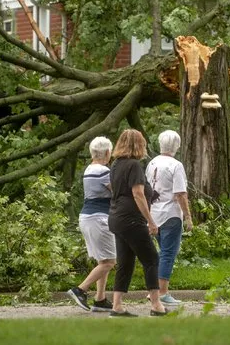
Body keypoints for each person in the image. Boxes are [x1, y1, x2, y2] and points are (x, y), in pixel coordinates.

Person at [108, 129, 168, 317]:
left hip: (117, 217)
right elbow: (137, 194)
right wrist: (151, 221)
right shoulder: (134, 165)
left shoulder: (116, 164)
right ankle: (156, 305)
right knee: (151, 259)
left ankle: (117, 306)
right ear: (138, 145)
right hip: (131, 219)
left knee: (125, 262)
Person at [67, 137, 117, 312]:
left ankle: (100, 299)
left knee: (103, 260)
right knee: (109, 262)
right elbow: (118, 193)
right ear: (107, 153)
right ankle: (80, 289)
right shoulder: (103, 171)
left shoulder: (89, 169)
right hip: (99, 219)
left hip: (89, 217)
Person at [145, 130, 192, 305]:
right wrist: (188, 217)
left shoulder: (152, 163)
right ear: (177, 146)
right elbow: (180, 193)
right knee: (168, 254)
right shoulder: (176, 165)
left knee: (161, 253)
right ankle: (162, 292)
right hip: (171, 214)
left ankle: (155, 291)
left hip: (154, 213)